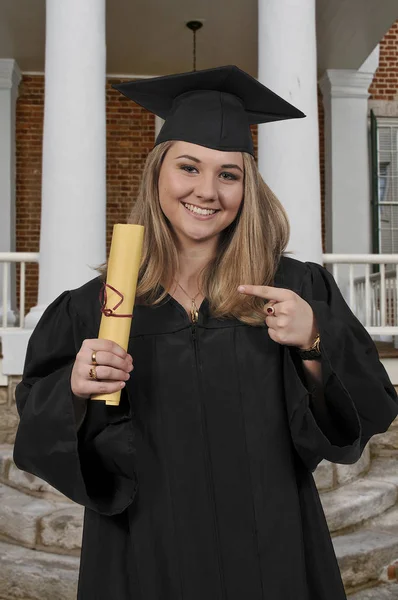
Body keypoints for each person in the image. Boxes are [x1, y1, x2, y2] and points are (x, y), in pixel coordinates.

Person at [13, 66, 398, 600]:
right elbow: (36, 429)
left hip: (272, 546)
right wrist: (74, 392)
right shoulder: (94, 309)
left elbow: (366, 411)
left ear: (247, 186)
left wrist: (313, 341)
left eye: (228, 174)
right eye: (188, 167)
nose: (207, 191)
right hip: (146, 552)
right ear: (157, 175)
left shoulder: (293, 288)